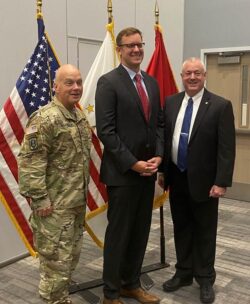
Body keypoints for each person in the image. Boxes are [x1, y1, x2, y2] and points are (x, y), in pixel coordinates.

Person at [95, 27, 164, 304]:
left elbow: (158, 123)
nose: (137, 50)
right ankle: (110, 294)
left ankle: (130, 284)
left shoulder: (151, 82)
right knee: (119, 236)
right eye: (130, 45)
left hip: (148, 173)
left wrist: (158, 156)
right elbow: (106, 131)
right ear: (119, 49)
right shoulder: (108, 82)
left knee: (140, 233)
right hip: (123, 174)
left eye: (140, 45)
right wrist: (133, 163)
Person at [159, 57, 235, 304]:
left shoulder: (220, 106)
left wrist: (221, 181)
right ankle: (183, 272)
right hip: (177, 178)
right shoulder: (170, 103)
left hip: (205, 182)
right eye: (188, 73)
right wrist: (163, 171)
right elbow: (166, 138)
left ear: (204, 76)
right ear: (182, 76)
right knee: (181, 228)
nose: (192, 77)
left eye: (197, 73)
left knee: (204, 230)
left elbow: (226, 148)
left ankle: (205, 278)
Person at [18, 64, 91, 304]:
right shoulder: (45, 118)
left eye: (79, 82)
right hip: (54, 210)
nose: (76, 87)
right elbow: (30, 163)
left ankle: (61, 299)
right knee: (54, 269)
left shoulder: (79, 116)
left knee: (69, 262)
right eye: (69, 82)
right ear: (55, 86)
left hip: (75, 206)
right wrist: (39, 200)